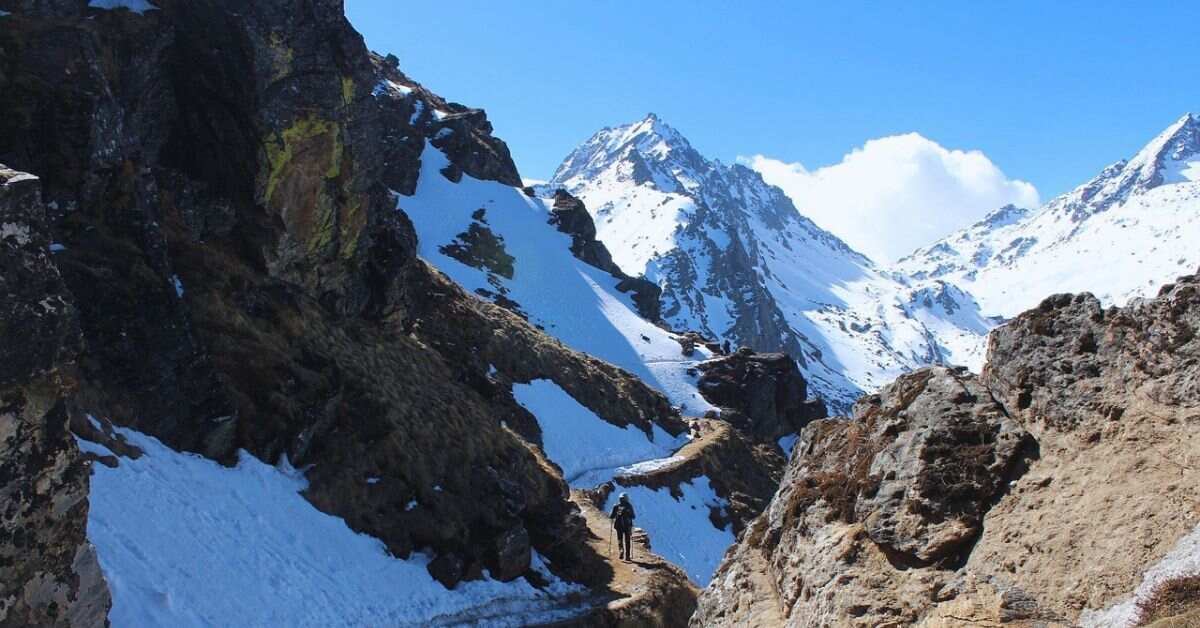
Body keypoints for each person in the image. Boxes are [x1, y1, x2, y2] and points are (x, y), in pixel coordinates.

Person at [610, 493, 636, 561]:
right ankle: (627, 556)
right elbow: (633, 516)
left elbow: (611, 516)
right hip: (627, 526)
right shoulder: (629, 506)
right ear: (626, 498)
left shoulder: (616, 506)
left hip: (618, 525)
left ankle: (621, 551)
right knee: (627, 541)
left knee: (620, 539)